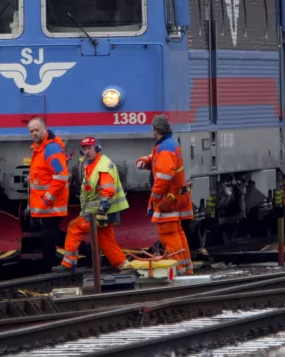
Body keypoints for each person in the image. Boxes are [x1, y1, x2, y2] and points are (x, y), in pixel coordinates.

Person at [53, 137, 134, 274]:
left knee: (74, 227)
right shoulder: (92, 165)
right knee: (105, 238)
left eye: (89, 148)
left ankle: (68, 263)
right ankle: (123, 264)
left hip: (99, 212)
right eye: (84, 149)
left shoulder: (102, 165)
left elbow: (107, 189)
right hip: (100, 211)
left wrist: (102, 211)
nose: (87, 151)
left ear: (97, 148)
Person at [135, 115, 195, 276]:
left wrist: (155, 198)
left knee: (168, 233)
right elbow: (162, 162)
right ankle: (185, 267)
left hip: (167, 199)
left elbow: (163, 176)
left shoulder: (165, 148)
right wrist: (146, 160)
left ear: (156, 130)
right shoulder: (168, 145)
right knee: (177, 232)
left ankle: (179, 269)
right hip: (174, 197)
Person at [27, 117, 70, 272]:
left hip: (52, 204)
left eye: (37, 130)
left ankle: (47, 267)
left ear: (44, 129)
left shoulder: (51, 149)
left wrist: (48, 198)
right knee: (51, 234)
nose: (34, 133)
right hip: (46, 204)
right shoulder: (40, 149)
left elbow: (61, 176)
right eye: (31, 131)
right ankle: (80, 250)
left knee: (49, 236)